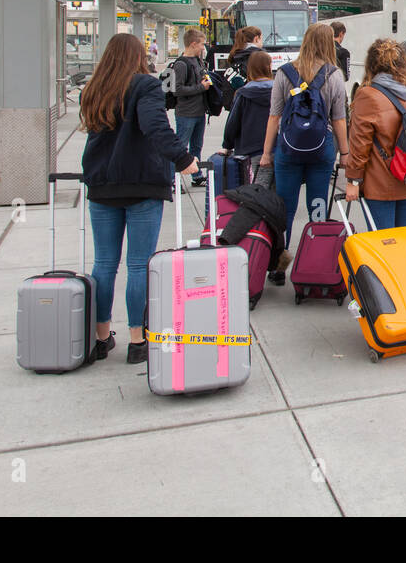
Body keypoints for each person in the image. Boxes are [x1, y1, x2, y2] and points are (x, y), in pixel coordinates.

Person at [80, 33, 200, 364]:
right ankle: (137, 340)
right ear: (137, 56)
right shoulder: (146, 86)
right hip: (142, 185)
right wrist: (183, 159)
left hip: (102, 185)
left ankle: (100, 338)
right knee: (138, 264)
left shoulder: (94, 89)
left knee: (104, 264)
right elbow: (155, 127)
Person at [260, 23, 349, 283]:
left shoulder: (284, 73)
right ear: (329, 44)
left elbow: (274, 117)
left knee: (284, 208)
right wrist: (344, 153)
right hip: (322, 149)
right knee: (318, 205)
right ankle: (317, 262)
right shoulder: (334, 75)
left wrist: (267, 152)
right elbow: (340, 120)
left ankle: (278, 266)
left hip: (287, 149)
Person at [343, 38, 406, 230]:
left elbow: (359, 145)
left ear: (371, 65)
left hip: (380, 184)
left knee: (383, 244)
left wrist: (353, 181)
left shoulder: (367, 95)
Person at [170, 28, 212, 187]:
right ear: (193, 44)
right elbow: (177, 90)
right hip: (186, 113)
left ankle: (197, 175)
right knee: (180, 146)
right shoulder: (181, 64)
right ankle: (172, 179)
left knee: (196, 146)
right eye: (201, 44)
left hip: (199, 111)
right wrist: (201, 88)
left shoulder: (198, 61)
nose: (203, 47)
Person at [222, 50, 275, 160]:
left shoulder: (243, 93)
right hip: (276, 146)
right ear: (269, 67)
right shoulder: (279, 91)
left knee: (255, 177)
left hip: (249, 148)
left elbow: (233, 122)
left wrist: (227, 145)